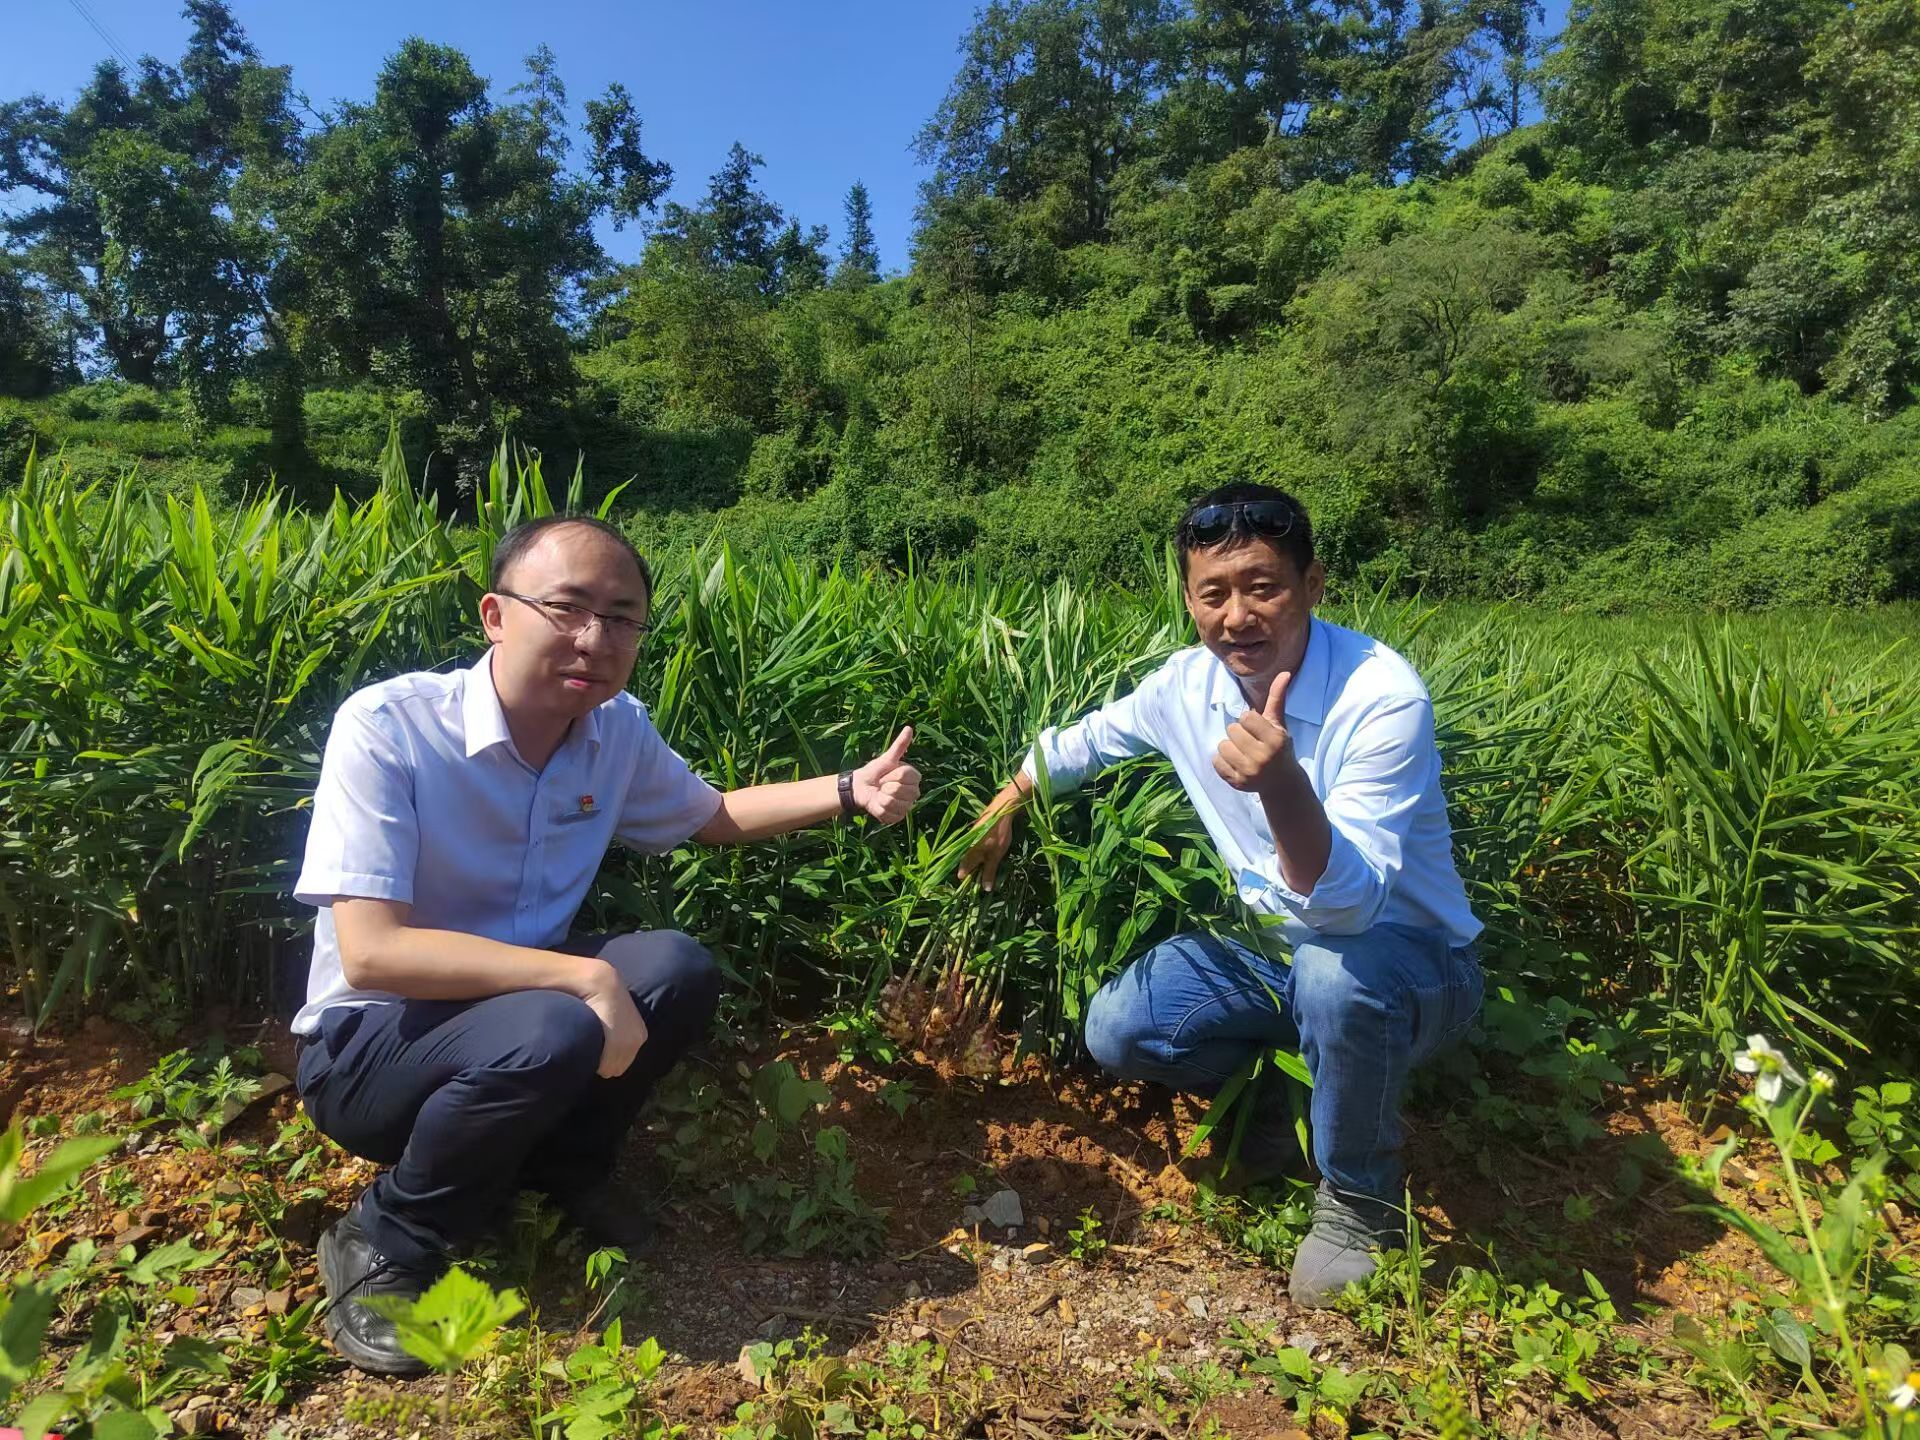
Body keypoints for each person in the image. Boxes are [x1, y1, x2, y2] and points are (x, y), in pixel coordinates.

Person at [292, 515, 921, 1375]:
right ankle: (388, 1236)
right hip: (370, 1047)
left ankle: (559, 1167)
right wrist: (584, 978)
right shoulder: (392, 728)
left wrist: (849, 790)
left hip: (515, 1018)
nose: (595, 638)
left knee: (674, 970)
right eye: (566, 608)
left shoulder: (614, 730)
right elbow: (372, 953)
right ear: (495, 614)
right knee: (560, 1022)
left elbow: (712, 815)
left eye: (622, 618)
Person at [958, 482, 1481, 1307]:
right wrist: (1007, 800)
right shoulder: (1185, 686)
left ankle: (1358, 1200)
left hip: (1411, 965)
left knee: (1335, 978)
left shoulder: (1381, 698)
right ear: (1190, 601)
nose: (1238, 615)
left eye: (1263, 587)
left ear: (1312, 586)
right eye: (1215, 593)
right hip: (1276, 951)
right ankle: (1282, 1091)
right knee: (1121, 1027)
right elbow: (1085, 742)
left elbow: (1348, 911)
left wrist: (1281, 785)